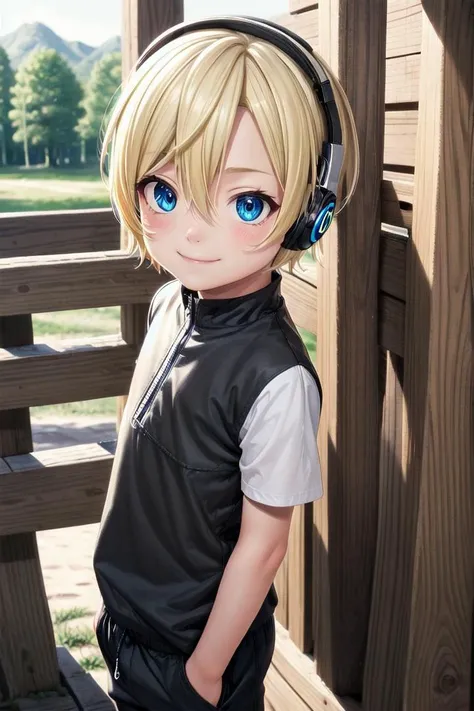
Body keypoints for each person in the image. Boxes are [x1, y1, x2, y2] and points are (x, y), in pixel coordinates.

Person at [92, 15, 359, 711]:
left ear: (309, 213)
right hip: (129, 625)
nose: (193, 233)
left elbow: (263, 546)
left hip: (193, 656)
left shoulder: (278, 380)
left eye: (246, 201)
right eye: (165, 192)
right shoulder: (168, 303)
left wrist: (204, 671)